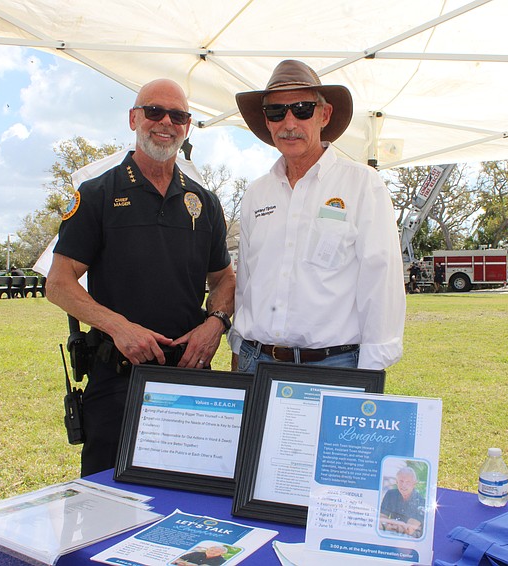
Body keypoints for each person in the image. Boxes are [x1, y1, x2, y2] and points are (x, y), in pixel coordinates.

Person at [46, 78, 235, 477]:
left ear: (186, 127)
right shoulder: (97, 194)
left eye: (178, 115)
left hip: (189, 378)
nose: (165, 121)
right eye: (154, 111)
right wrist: (119, 327)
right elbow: (59, 282)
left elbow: (223, 279)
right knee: (108, 502)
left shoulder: (205, 202)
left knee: (194, 494)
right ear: (133, 118)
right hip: (119, 379)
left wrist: (214, 325)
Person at [229, 59, 405, 373]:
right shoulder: (257, 193)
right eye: (276, 112)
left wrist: (369, 373)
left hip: (333, 366)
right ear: (267, 123)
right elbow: (246, 284)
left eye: (302, 109)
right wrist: (238, 354)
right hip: (255, 362)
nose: (289, 123)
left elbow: (381, 283)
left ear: (324, 115)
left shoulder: (363, 185)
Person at [379, 466, 425, 538]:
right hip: (391, 537)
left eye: (408, 482)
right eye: (401, 481)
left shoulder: (421, 501)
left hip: (412, 542)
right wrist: (400, 525)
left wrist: (389, 523)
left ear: (414, 484)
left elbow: (409, 530)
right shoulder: (390, 494)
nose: (404, 485)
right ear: (397, 482)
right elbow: (381, 522)